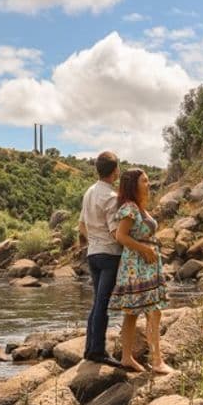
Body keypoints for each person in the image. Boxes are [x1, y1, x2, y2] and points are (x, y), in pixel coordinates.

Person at [109, 168, 172, 374]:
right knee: (152, 311)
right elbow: (121, 236)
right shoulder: (129, 208)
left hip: (144, 264)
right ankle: (157, 361)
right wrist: (145, 248)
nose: (149, 184)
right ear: (133, 185)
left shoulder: (138, 207)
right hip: (138, 265)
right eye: (144, 181)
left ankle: (128, 358)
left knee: (133, 313)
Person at [78, 151, 125, 366]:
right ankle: (97, 351)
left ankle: (90, 349)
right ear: (114, 171)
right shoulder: (111, 197)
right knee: (102, 304)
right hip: (109, 255)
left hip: (93, 253)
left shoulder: (89, 192)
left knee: (97, 302)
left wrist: (93, 241)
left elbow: (81, 226)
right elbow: (116, 233)